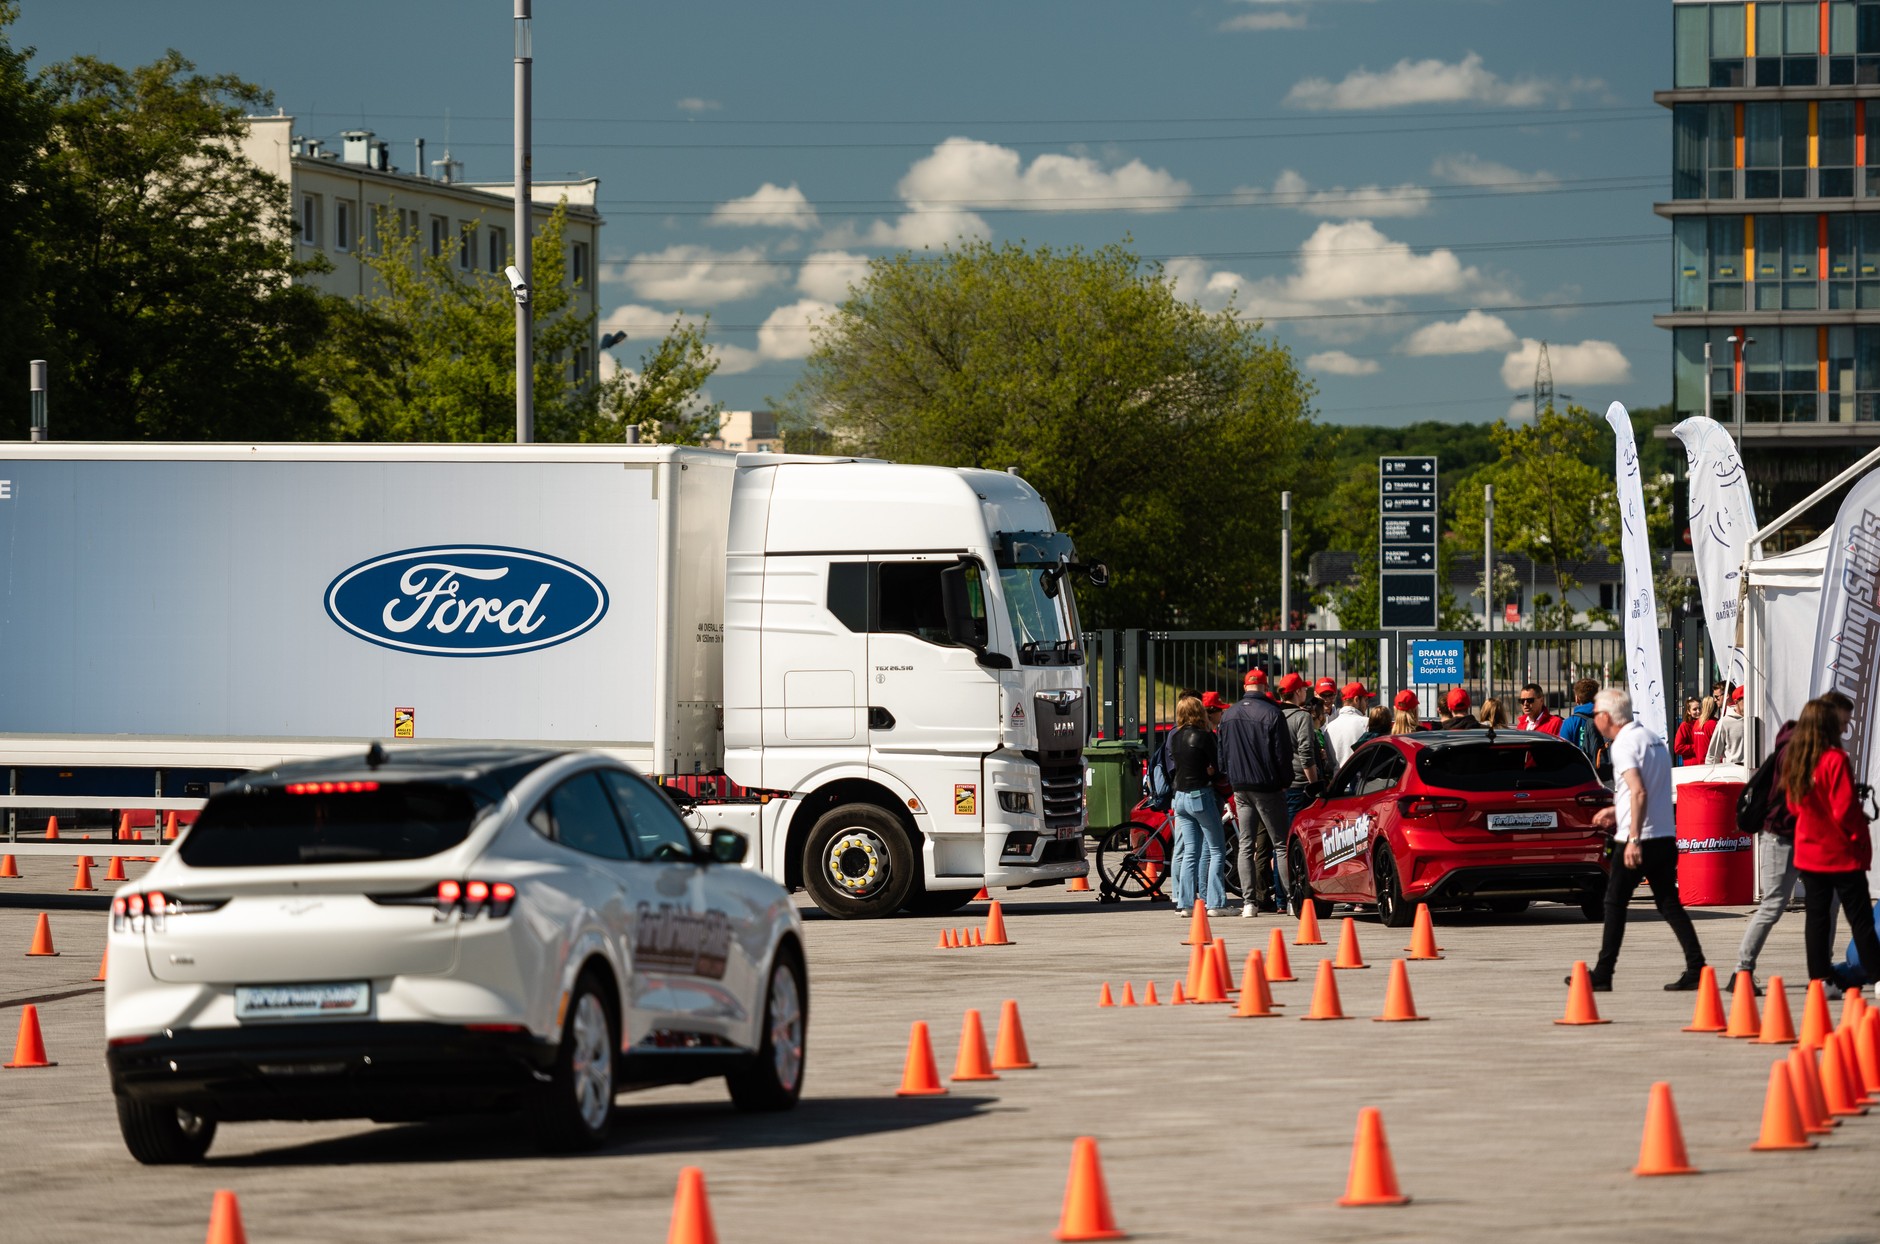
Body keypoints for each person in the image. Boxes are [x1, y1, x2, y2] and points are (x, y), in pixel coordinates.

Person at [1578, 686, 1707, 992]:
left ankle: (1603, 973)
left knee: (1613, 903)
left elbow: (1639, 790)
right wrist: (1616, 810)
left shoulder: (1622, 745)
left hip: (1639, 838)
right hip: (1663, 835)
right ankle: (1697, 966)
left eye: (1596, 714)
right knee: (1668, 903)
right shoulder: (1652, 740)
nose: (1594, 719)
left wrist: (1633, 838)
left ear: (1607, 716)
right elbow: (1643, 790)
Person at [1732, 695, 1849, 992]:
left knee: (1828, 904)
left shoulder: (1818, 748)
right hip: (1782, 837)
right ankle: (1741, 971)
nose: (1845, 728)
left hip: (1808, 839)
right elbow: (1796, 799)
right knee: (1773, 905)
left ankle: (1823, 970)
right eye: (1842, 721)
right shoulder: (1799, 749)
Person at [1783, 696, 1880, 992]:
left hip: (1809, 853)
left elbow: (1794, 806)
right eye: (1842, 722)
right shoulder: (1835, 759)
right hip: (1839, 854)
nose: (1846, 725)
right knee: (1860, 918)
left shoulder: (1797, 758)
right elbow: (1844, 810)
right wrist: (1858, 840)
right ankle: (1877, 975)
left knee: (1817, 918)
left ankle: (1820, 979)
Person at [1216, 668, 1294, 920]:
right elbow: (1283, 754)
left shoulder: (1229, 715)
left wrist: (1231, 776)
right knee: (1280, 844)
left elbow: (1222, 754)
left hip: (1240, 786)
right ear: (1264, 686)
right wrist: (1285, 781)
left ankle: (1249, 903)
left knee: (1246, 845)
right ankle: (1292, 898)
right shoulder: (1273, 713)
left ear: (1244, 686)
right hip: (1268, 786)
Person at [1167, 695, 1229, 918]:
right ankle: (1215, 902)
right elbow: (1219, 765)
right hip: (1200, 794)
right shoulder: (1204, 736)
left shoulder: (1175, 737)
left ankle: (1185, 903)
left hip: (1180, 797)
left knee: (1190, 852)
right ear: (1199, 712)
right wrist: (1211, 772)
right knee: (1216, 849)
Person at [1560, 678, 1607, 778]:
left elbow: (1563, 754)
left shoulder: (1569, 723)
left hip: (1579, 776)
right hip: (1605, 772)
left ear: (1577, 698)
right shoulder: (1606, 719)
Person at [1324, 681, 1373, 770]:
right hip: (1360, 780)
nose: (1367, 704)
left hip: (1338, 780)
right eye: (1365, 700)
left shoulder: (1329, 727)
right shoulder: (1366, 723)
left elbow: (1330, 762)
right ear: (1356, 700)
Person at [1707, 686, 1746, 766]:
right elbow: (1712, 756)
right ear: (1736, 702)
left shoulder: (1759, 720)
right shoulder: (1724, 722)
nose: (1750, 703)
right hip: (1734, 774)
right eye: (1745, 700)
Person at [1671, 697, 1703, 765]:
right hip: (1691, 766)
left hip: (1704, 764)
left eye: (1700, 708)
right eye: (1694, 709)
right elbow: (1678, 748)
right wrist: (1697, 747)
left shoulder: (1705, 724)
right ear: (1688, 711)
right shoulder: (1685, 726)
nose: (1698, 711)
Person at [1691, 696, 1720, 762]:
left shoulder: (1697, 723)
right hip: (1712, 763)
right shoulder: (1715, 724)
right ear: (1715, 708)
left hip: (1699, 762)